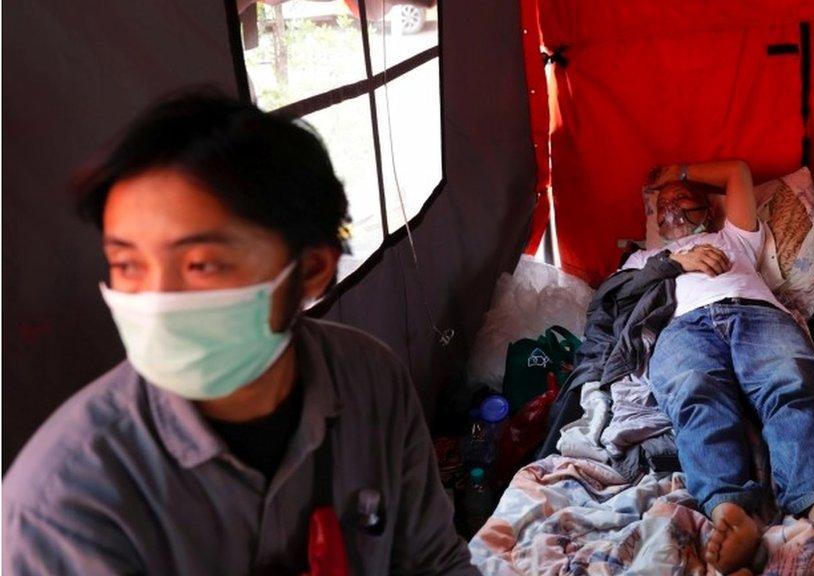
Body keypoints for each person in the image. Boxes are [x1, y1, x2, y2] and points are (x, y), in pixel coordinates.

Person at [3, 92, 480, 576]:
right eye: (127, 264)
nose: (158, 299)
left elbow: (433, 562)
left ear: (313, 268)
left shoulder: (370, 381)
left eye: (201, 264)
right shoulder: (62, 505)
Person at [623, 160, 814, 574]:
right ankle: (731, 515)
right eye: (663, 206)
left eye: (684, 200)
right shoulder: (646, 258)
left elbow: (739, 174)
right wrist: (679, 264)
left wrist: (678, 174)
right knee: (695, 394)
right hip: (682, 328)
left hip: (757, 314)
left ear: (709, 212)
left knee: (788, 385)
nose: (671, 207)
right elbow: (615, 299)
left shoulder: (733, 237)